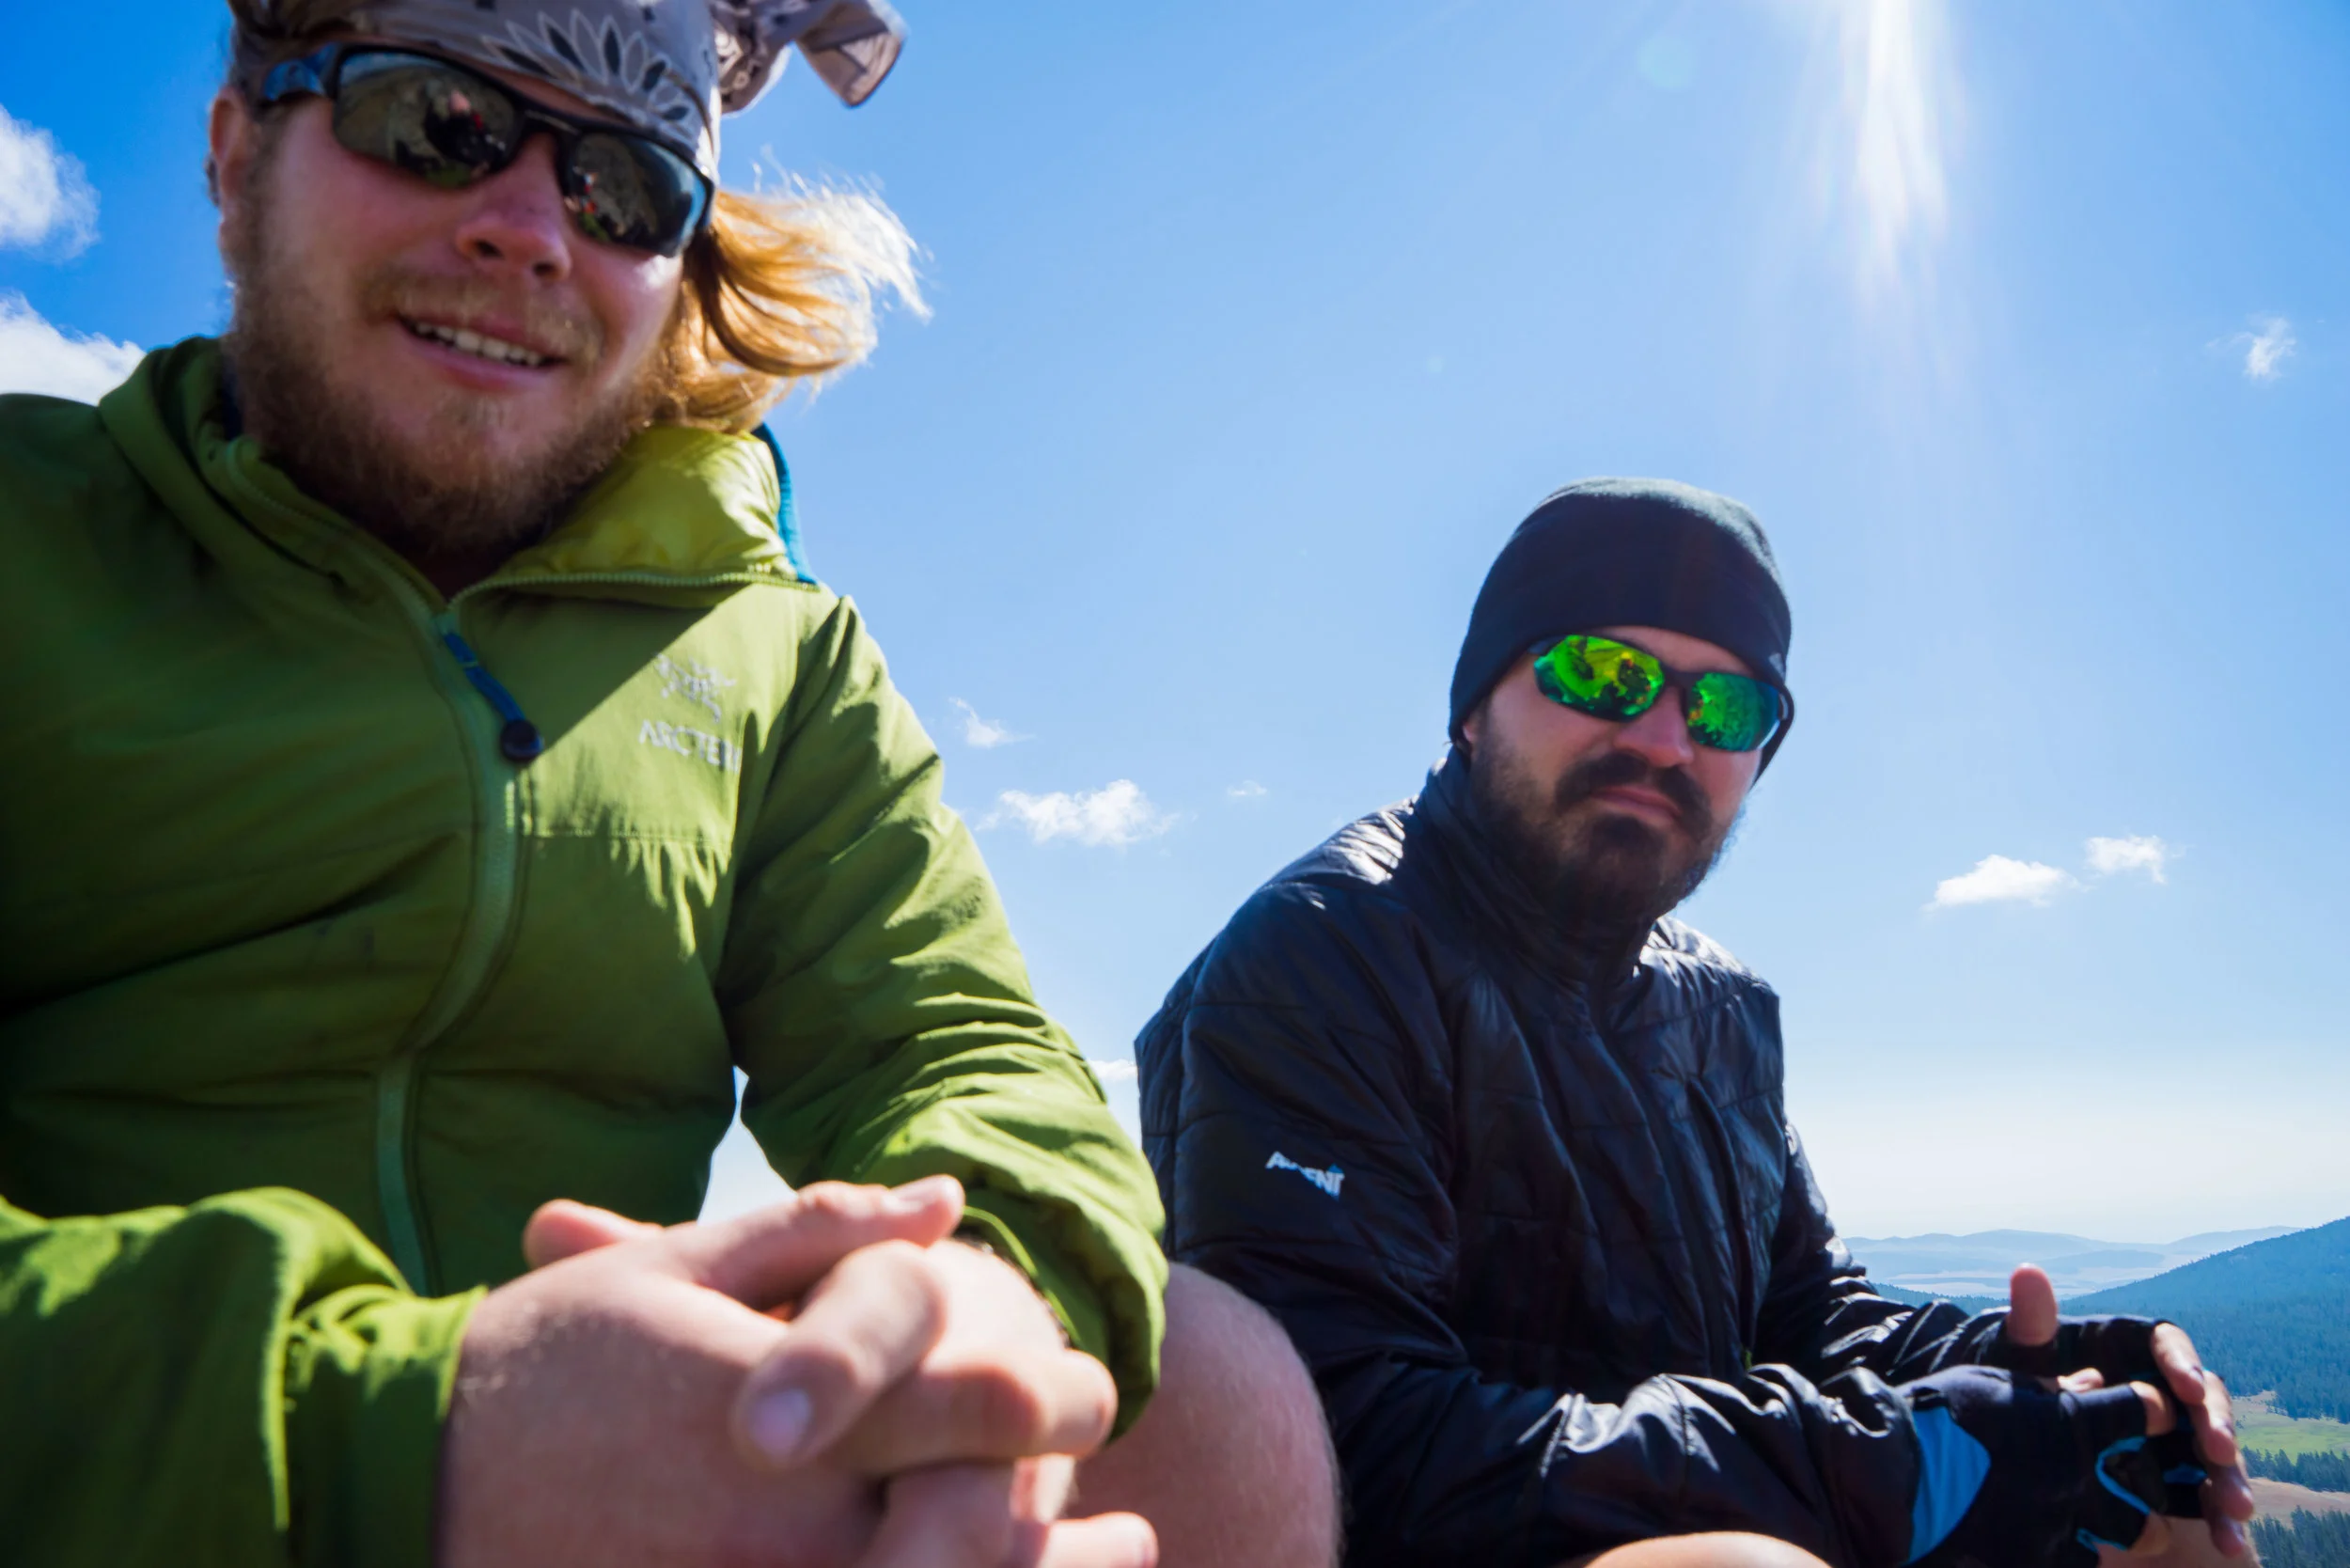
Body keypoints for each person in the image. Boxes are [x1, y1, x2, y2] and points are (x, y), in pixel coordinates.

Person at [0, 2, 1335, 1564]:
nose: (526, 233)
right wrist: (397, 1432)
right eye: (437, 120)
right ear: (237, 153)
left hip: (662, 1451)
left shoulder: (778, 652)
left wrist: (962, 1289)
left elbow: (951, 1040)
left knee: (1210, 1390)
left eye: (623, 188)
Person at [1136, 478, 2256, 1568]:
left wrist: (2042, 1371)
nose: (1669, 739)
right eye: (1603, 672)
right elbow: (1346, 1444)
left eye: (1727, 706)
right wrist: (1890, 1469)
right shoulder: (1327, 955)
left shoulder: (1721, 1009)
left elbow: (1812, 1316)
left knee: (2173, 1543)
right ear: (1475, 708)